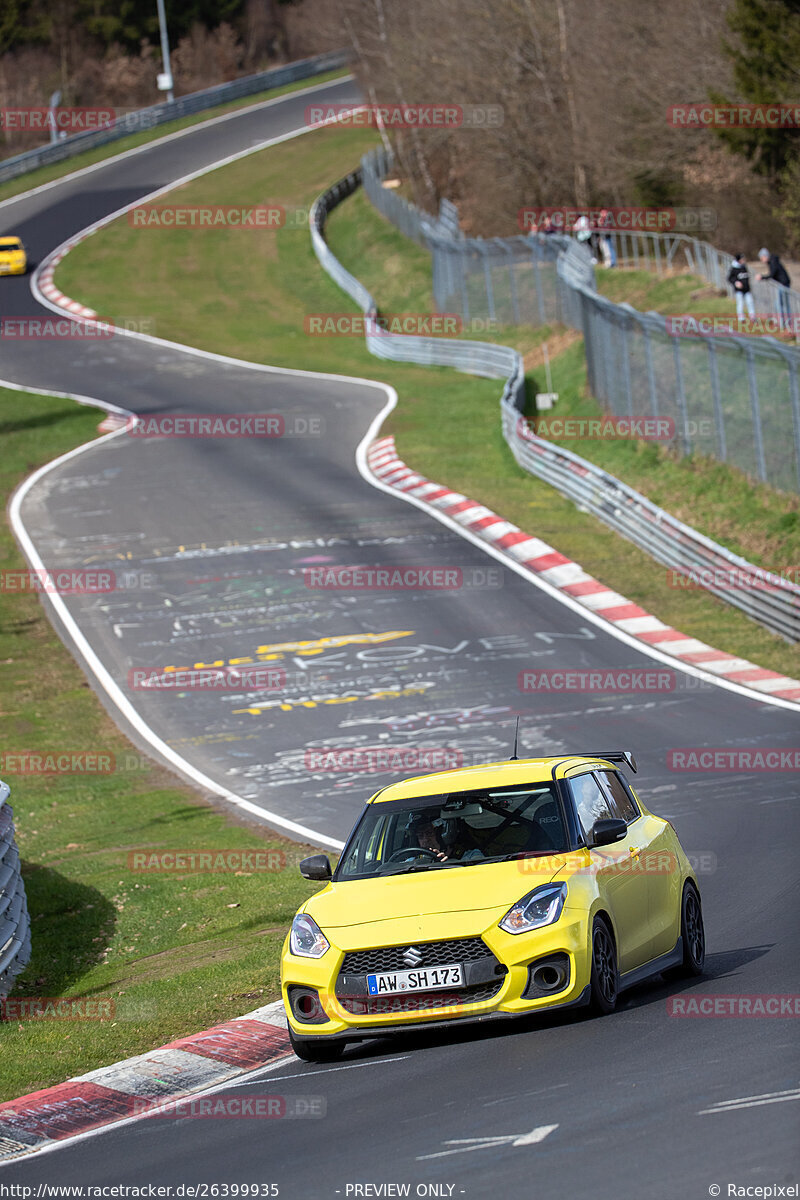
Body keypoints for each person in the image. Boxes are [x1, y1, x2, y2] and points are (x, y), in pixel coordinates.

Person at [756, 247, 792, 328]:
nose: (761, 260)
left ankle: (787, 324)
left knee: (783, 305)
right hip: (781, 284)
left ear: (765, 256)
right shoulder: (772, 261)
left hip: (783, 284)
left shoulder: (773, 262)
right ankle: (783, 322)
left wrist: (762, 277)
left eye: (761, 258)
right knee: (778, 304)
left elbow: (772, 274)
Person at [727, 253, 756, 320]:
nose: (744, 260)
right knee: (740, 304)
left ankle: (752, 317)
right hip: (739, 290)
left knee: (750, 302)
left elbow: (746, 276)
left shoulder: (744, 267)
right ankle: (741, 318)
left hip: (747, 289)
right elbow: (729, 278)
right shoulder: (733, 269)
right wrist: (736, 283)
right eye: (742, 259)